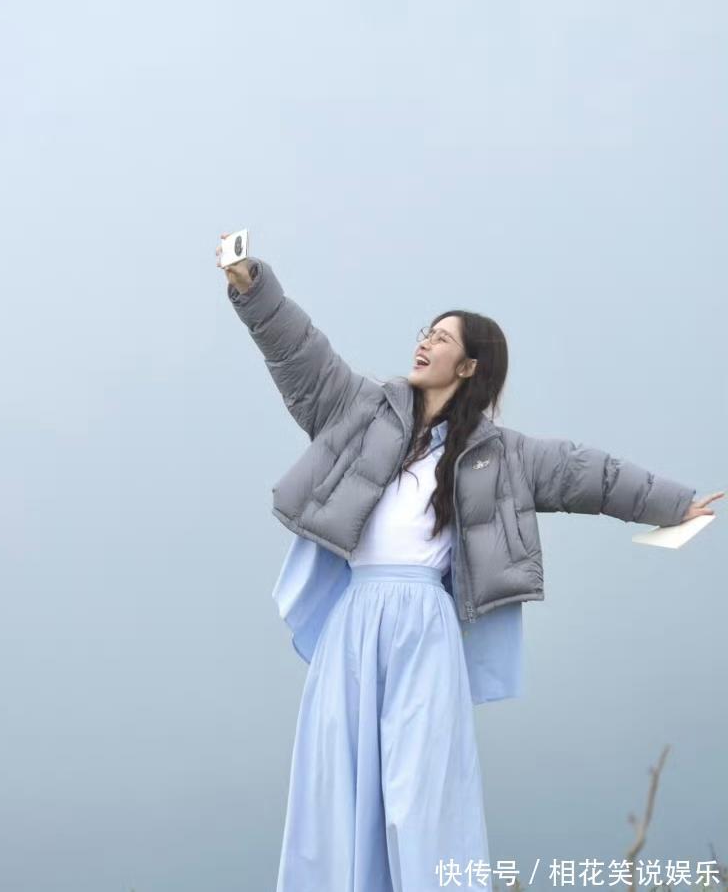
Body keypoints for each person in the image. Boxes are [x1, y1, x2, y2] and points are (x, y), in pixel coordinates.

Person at [215, 233, 722, 892]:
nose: (425, 343)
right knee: (334, 786)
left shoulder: (503, 455)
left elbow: (587, 473)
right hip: (353, 623)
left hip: (426, 630)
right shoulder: (358, 409)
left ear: (469, 366)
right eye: (425, 332)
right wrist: (250, 283)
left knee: (423, 795)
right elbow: (299, 353)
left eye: (442, 337)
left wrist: (675, 504)